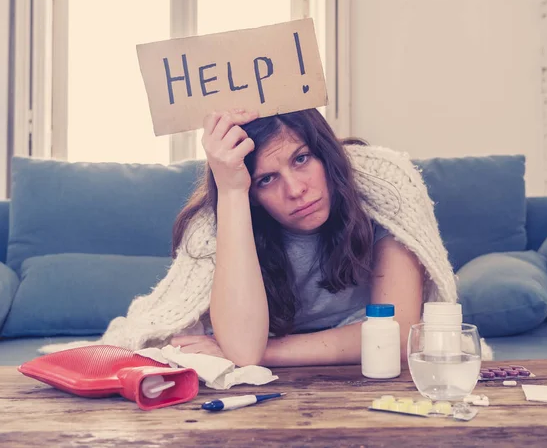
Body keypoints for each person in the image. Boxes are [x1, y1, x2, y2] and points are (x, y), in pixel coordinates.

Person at [39, 108, 458, 363]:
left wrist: (263, 353)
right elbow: (242, 348)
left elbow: (400, 334)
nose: (295, 190)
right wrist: (234, 191)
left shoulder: (381, 189)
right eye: (267, 179)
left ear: (325, 151)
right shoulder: (219, 220)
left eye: (302, 159)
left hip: (360, 365)